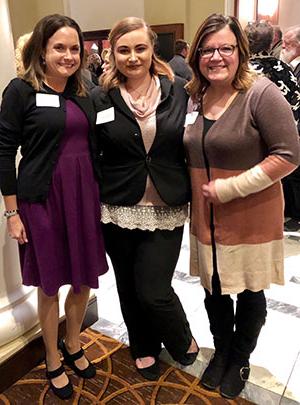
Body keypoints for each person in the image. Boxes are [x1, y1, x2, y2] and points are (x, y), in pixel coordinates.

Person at [184, 13, 300, 399]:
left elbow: (289, 155)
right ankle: (222, 350)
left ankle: (240, 357)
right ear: (197, 54)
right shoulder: (195, 95)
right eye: (207, 49)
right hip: (206, 218)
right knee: (214, 289)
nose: (215, 57)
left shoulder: (261, 93)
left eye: (225, 49)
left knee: (250, 292)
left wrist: (232, 187)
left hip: (250, 215)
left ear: (240, 51)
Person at [0, 14, 108, 399]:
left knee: (81, 281)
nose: (68, 55)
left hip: (84, 197)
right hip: (43, 200)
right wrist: (12, 213)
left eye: (74, 48)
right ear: (41, 51)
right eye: (59, 47)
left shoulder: (85, 91)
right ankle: (51, 356)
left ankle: (73, 343)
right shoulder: (20, 91)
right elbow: (4, 152)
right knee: (50, 285)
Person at [92, 16, 198, 381]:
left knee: (153, 289)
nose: (133, 57)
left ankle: (182, 336)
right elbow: (92, 155)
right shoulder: (99, 97)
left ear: (153, 49)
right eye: (124, 50)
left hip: (166, 204)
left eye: (140, 48)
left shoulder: (180, 90)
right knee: (127, 285)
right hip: (116, 206)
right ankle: (143, 345)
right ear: (112, 52)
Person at [245, 21, 300, 232]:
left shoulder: (237, 67)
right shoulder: (283, 69)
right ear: (272, 42)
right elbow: (295, 104)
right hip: (276, 142)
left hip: (243, 139)